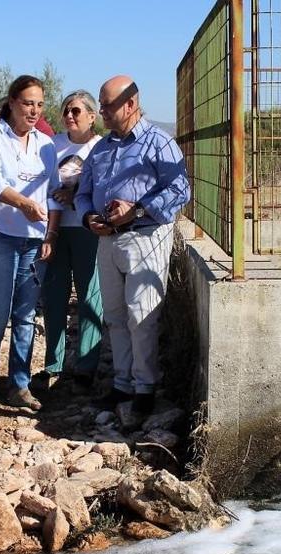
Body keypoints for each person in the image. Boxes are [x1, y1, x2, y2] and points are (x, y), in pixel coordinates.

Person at [76, 75, 191, 426]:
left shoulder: (159, 143)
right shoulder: (102, 147)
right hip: (107, 240)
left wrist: (137, 209)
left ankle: (145, 389)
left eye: (107, 105)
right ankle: (123, 385)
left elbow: (181, 189)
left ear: (130, 105)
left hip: (145, 237)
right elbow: (83, 191)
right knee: (114, 314)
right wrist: (87, 218)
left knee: (141, 316)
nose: (102, 112)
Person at [0, 75, 62, 417]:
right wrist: (22, 203)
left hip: (34, 238)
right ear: (11, 102)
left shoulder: (46, 144)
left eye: (39, 104)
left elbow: (54, 194)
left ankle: (19, 386)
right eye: (27, 103)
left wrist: (51, 235)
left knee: (25, 314)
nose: (34, 110)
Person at [42, 90, 104, 394]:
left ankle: (86, 367)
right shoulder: (52, 145)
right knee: (53, 296)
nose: (69, 115)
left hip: (86, 230)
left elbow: (104, 187)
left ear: (92, 116)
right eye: (66, 110)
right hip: (55, 229)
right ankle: (52, 364)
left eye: (76, 111)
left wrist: (76, 193)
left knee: (89, 297)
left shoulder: (101, 148)